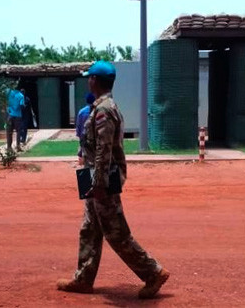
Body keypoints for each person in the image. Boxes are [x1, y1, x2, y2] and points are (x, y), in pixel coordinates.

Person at [57, 61, 169, 299]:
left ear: (95, 81)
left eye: (90, 78)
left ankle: (152, 272)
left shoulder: (104, 110)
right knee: (89, 228)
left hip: (102, 177)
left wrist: (98, 182)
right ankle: (83, 278)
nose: (88, 81)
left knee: (115, 231)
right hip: (92, 174)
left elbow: (103, 150)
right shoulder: (102, 107)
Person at [75, 93, 95, 165]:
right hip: (95, 140)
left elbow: (79, 128)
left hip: (84, 139)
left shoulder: (81, 112)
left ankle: (86, 174)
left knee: (85, 161)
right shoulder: (98, 111)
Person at [6, 86, 24, 153]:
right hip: (18, 116)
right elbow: (21, 105)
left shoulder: (9, 93)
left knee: (9, 132)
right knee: (18, 131)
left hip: (10, 115)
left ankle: (9, 147)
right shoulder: (21, 95)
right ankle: (18, 146)